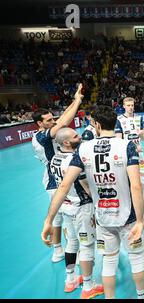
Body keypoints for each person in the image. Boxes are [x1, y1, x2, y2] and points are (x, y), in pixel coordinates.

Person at [41, 105, 144, 299]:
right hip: (128, 214)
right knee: (136, 258)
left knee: (109, 260)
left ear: (97, 125)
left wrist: (48, 220)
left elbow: (63, 187)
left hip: (102, 215)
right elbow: (136, 186)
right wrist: (141, 220)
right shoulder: (126, 145)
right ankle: (142, 296)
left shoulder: (83, 149)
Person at [48, 128, 104, 299]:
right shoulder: (74, 160)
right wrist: (98, 203)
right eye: (75, 136)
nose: (79, 136)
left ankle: (70, 279)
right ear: (66, 142)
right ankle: (88, 286)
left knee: (72, 242)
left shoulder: (55, 158)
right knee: (87, 245)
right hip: (81, 206)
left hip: (66, 206)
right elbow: (86, 186)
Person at [32, 84, 84, 263]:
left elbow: (60, 119)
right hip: (54, 180)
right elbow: (62, 122)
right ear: (39, 124)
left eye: (52, 119)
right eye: (48, 121)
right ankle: (59, 249)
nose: (52, 122)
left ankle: (68, 249)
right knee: (59, 217)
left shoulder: (48, 131)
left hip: (62, 174)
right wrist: (77, 101)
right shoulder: (40, 137)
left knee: (65, 216)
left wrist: (75, 100)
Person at [115, 97, 144, 206]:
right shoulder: (119, 120)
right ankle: (128, 199)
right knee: (126, 176)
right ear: (124, 106)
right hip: (127, 153)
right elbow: (118, 140)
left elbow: (143, 138)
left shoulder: (139, 118)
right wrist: (131, 148)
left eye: (132, 105)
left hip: (139, 152)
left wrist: (141, 135)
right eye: (128, 105)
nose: (130, 107)